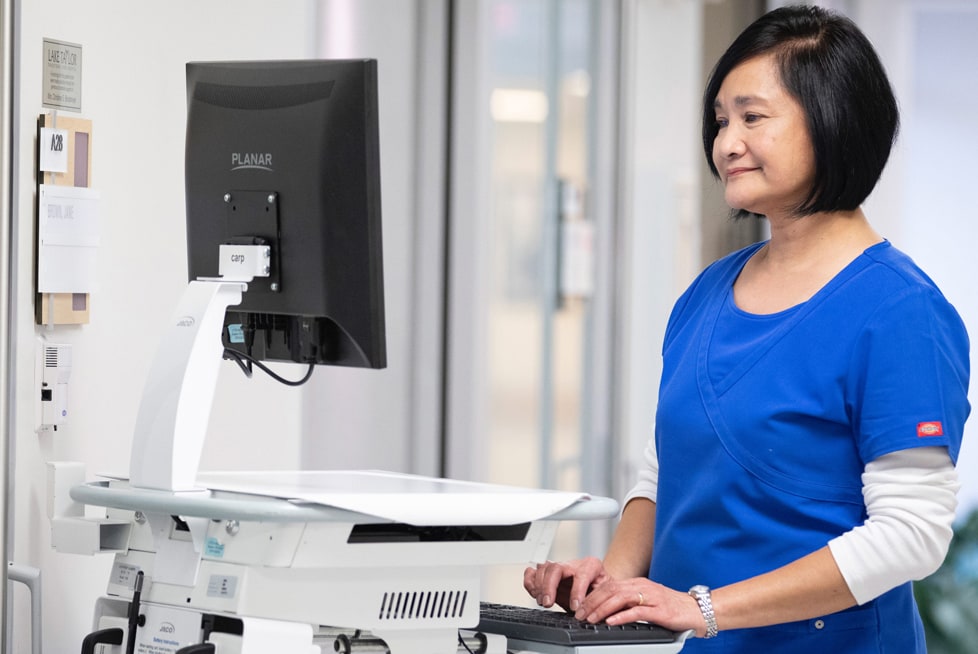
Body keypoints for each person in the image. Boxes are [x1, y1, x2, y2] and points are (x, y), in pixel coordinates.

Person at [523, 5, 970, 653]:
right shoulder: (706, 294)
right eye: (721, 121)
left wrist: (703, 607)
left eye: (753, 118)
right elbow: (662, 471)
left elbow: (911, 534)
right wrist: (612, 583)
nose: (727, 143)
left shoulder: (900, 311)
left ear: (834, 121)